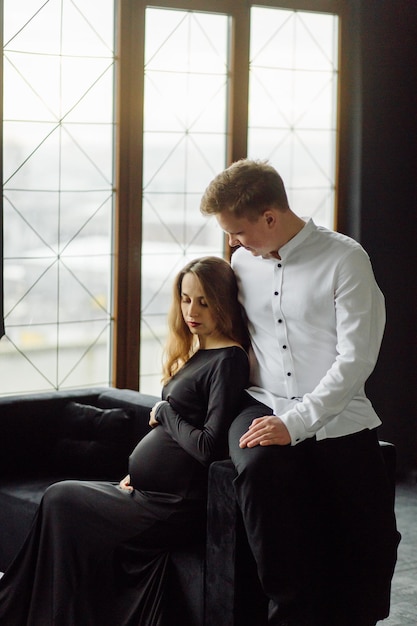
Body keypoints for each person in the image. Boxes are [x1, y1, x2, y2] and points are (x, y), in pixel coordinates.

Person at [200, 159, 401, 626]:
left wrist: (296, 424)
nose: (232, 241)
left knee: (372, 538)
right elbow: (226, 338)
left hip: (338, 411)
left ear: (270, 216)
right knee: (259, 474)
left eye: (238, 231)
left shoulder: (346, 258)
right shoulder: (241, 263)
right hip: (262, 401)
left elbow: (356, 359)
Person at [0, 256, 250, 626]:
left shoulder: (229, 360)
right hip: (150, 493)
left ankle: (26, 609)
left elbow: (209, 446)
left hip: (172, 507)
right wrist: (143, 474)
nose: (191, 310)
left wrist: (166, 413)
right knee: (61, 507)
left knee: (60, 498)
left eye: (204, 301)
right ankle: (42, 611)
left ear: (223, 302)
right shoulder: (201, 352)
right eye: (185, 299)